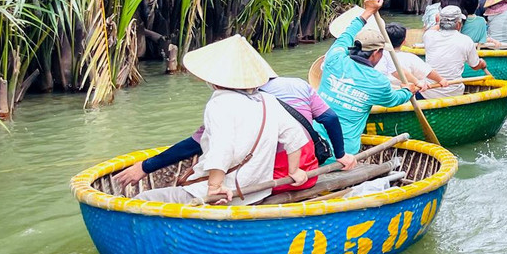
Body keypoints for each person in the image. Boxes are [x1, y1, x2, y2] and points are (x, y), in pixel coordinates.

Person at [132, 35, 313, 204]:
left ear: (215, 79)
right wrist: (294, 171)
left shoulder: (220, 104)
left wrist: (215, 186)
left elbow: (223, 147)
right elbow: (295, 136)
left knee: (141, 199)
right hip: (257, 192)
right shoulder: (269, 101)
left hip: (226, 193)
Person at [117, 70, 355, 191]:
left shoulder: (231, 103)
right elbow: (330, 118)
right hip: (306, 169)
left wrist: (146, 166)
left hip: (270, 177)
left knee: (189, 177)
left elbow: (197, 145)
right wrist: (341, 154)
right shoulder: (297, 86)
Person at [318, 0, 431, 155]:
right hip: (343, 152)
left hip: (310, 139)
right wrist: (409, 90)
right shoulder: (378, 81)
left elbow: (348, 32)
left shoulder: (334, 57)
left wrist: (368, 11)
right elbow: (394, 99)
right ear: (376, 53)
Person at [421, 6, 488, 97]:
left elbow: (433, 28)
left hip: (429, 92)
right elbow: (475, 66)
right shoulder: (466, 40)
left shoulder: (428, 35)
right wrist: (482, 64)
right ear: (459, 25)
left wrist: (440, 21)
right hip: (454, 92)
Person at [375, 23, 449, 90]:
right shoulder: (409, 58)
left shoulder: (374, 55)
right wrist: (441, 80)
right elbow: (429, 72)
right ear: (404, 42)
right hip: (402, 96)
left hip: (379, 94)